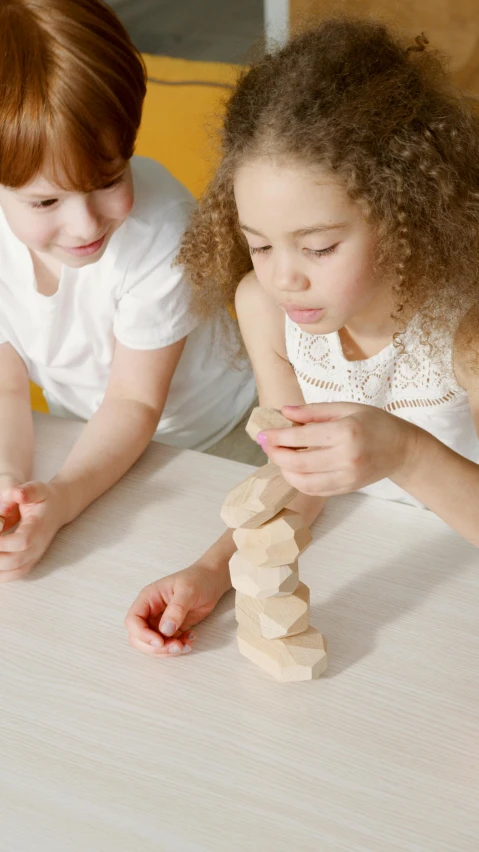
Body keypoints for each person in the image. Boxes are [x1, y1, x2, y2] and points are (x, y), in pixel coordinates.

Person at [126, 17, 479, 657]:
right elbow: (295, 473)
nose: (284, 276)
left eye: (318, 247)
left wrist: (404, 452)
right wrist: (215, 570)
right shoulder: (264, 308)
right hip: (380, 578)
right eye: (258, 244)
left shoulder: (466, 338)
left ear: (407, 214)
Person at [0, 0, 255, 583]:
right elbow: (6, 383)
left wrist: (62, 499)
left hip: (217, 436)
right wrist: (10, 481)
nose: (87, 225)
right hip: (97, 434)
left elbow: (136, 402)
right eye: (46, 202)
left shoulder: (161, 230)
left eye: (109, 180)